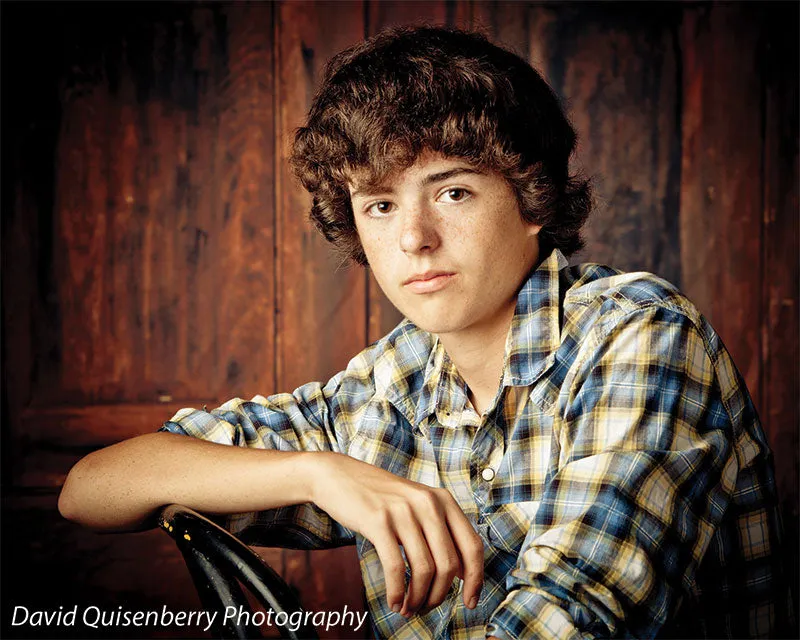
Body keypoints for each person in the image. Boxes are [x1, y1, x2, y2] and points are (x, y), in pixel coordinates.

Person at [59, 26, 791, 639]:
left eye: (453, 191)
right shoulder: (384, 389)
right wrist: (317, 472)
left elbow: (571, 618)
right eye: (378, 205)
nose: (414, 238)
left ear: (534, 197)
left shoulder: (640, 336)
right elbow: (91, 490)